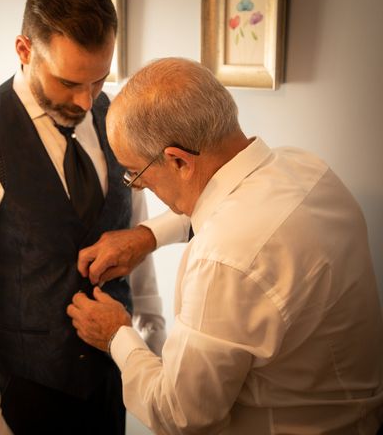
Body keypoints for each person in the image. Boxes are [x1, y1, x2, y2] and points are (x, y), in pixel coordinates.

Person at [67, 57, 383, 434]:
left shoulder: (222, 261)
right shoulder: (305, 167)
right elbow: (231, 207)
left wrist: (117, 335)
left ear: (179, 161)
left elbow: (182, 416)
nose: (138, 185)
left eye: (137, 174)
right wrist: (147, 236)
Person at [0, 0, 174, 435]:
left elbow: (133, 236)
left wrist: (151, 332)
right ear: (24, 50)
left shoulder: (114, 120)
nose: (85, 100)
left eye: (99, 80)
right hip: (23, 396)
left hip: (110, 380)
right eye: (68, 82)